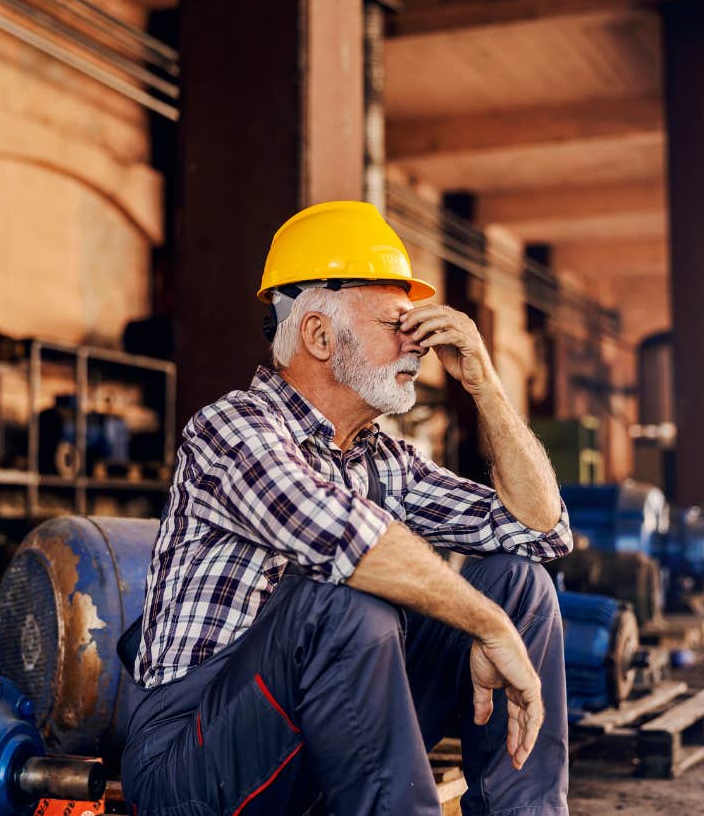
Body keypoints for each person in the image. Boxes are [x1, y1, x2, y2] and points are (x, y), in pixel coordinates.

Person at [121, 201, 572, 816]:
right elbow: (346, 545)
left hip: (317, 740)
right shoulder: (231, 429)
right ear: (318, 335)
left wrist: (485, 387)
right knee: (340, 597)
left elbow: (541, 532)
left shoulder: (384, 458)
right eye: (396, 323)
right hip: (191, 761)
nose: (417, 345)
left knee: (517, 584)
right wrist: (485, 627)